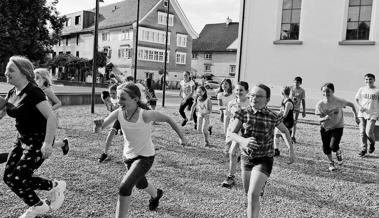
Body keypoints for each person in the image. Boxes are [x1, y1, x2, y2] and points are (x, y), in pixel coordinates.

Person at [93, 82, 188, 218]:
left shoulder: (146, 115)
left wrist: (182, 138)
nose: (119, 101)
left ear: (135, 99)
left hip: (145, 157)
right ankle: (156, 194)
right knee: (140, 184)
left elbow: (168, 119)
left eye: (123, 98)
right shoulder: (119, 113)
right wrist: (97, 125)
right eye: (118, 98)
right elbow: (100, 129)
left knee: (125, 187)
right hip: (128, 157)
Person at [1, 56, 66, 218]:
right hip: (21, 139)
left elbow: (51, 117)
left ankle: (39, 204)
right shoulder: (12, 92)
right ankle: (52, 188)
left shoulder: (33, 91)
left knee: (18, 178)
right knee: (8, 178)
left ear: (24, 73)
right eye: (6, 69)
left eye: (11, 70)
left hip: (38, 140)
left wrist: (47, 143)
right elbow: (1, 113)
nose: (6, 73)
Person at [228, 84, 295, 218]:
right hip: (247, 158)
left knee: (253, 194)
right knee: (249, 196)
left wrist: (291, 150)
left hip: (264, 159)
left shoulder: (272, 116)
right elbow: (232, 133)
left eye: (259, 96)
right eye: (252, 95)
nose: (254, 98)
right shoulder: (242, 112)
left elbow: (285, 131)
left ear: (267, 99)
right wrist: (242, 141)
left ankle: (259, 186)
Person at [315, 83, 359, 171]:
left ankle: (338, 151)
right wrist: (325, 118)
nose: (326, 93)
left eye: (328, 91)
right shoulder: (320, 104)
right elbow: (318, 119)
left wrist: (355, 116)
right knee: (326, 149)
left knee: (333, 146)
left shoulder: (339, 101)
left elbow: (352, 105)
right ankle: (331, 162)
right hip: (325, 128)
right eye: (324, 91)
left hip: (338, 127)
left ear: (333, 91)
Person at [221, 81, 250, 188]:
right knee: (230, 152)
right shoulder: (231, 103)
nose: (238, 92)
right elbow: (227, 117)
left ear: (247, 91)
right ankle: (232, 176)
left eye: (241, 90)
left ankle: (231, 177)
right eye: (237, 90)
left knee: (234, 152)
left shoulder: (250, 104)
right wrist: (226, 132)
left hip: (244, 133)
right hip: (232, 132)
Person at [34, 68, 69, 155]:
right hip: (37, 119)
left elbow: (59, 103)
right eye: (34, 77)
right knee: (40, 140)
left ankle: (63, 143)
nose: (35, 80)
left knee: (47, 140)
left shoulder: (46, 91)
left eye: (37, 78)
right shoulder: (33, 90)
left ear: (44, 79)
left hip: (46, 119)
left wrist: (49, 111)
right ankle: (63, 144)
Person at [355, 73, 379, 156]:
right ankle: (363, 149)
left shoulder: (377, 90)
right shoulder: (362, 89)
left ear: (374, 80)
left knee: (368, 132)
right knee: (362, 132)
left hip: (373, 113)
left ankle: (372, 144)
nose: (368, 81)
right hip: (362, 113)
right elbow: (356, 99)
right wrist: (359, 107)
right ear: (364, 80)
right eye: (366, 79)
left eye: (370, 79)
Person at [98, 84, 122, 163]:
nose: (111, 95)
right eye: (110, 93)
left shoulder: (121, 99)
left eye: (113, 93)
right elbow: (112, 112)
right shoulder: (110, 100)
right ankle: (105, 153)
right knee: (111, 132)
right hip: (118, 119)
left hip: (126, 119)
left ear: (117, 92)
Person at [274, 86, 294, 156]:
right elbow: (281, 111)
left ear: (282, 92)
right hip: (281, 121)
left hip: (287, 122)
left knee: (286, 138)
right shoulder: (283, 100)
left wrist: (278, 115)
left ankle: (291, 150)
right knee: (276, 135)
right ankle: (276, 150)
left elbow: (285, 115)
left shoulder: (288, 102)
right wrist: (276, 114)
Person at [290, 76, 306, 143]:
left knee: (294, 122)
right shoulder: (290, 88)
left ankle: (293, 136)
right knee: (288, 121)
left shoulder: (302, 91)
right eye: (295, 82)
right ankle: (288, 135)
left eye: (298, 82)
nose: (296, 83)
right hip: (290, 107)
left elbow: (303, 100)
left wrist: (304, 110)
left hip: (297, 108)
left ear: (300, 83)